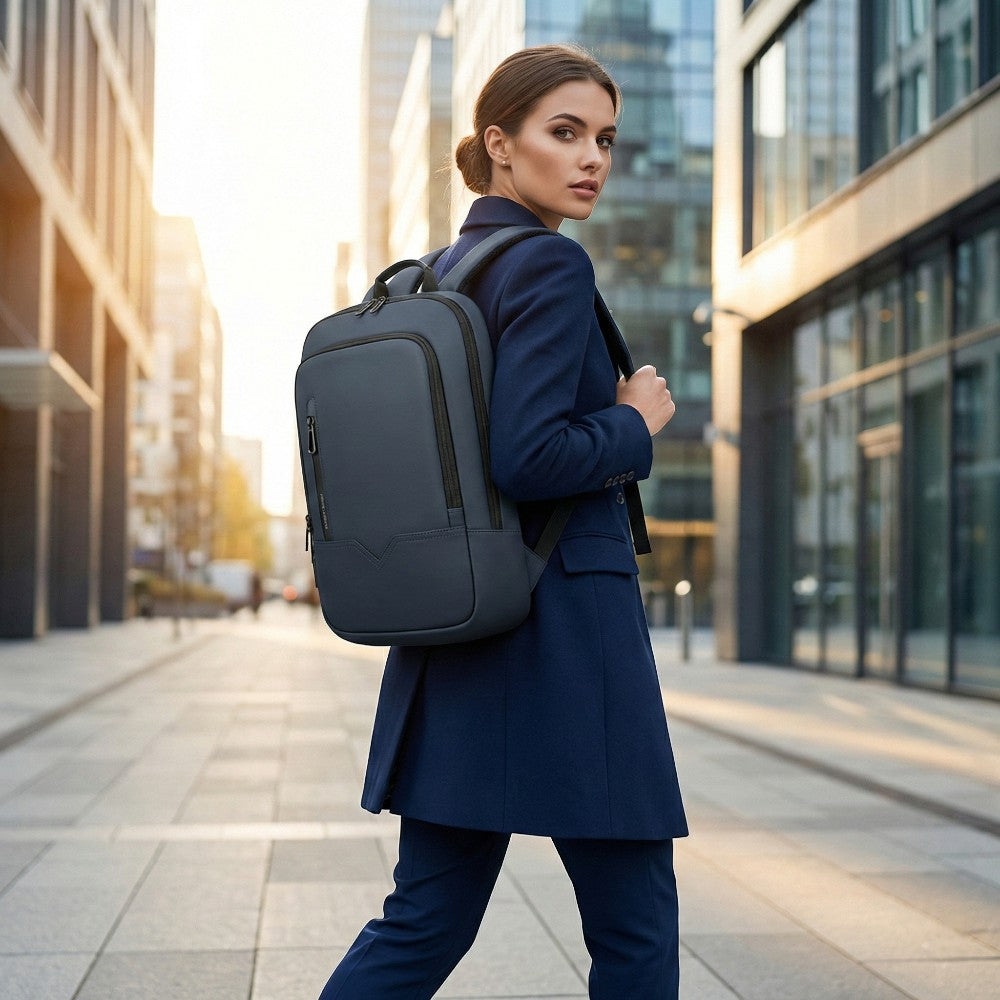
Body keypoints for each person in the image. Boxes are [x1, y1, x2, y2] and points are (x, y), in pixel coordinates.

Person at [318, 44, 687, 1000]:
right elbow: (528, 457)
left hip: (464, 627)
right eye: (563, 133)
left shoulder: (445, 272)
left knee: (424, 919)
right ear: (499, 143)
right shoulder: (549, 268)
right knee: (634, 921)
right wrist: (631, 421)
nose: (592, 159)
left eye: (603, 138)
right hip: (567, 633)